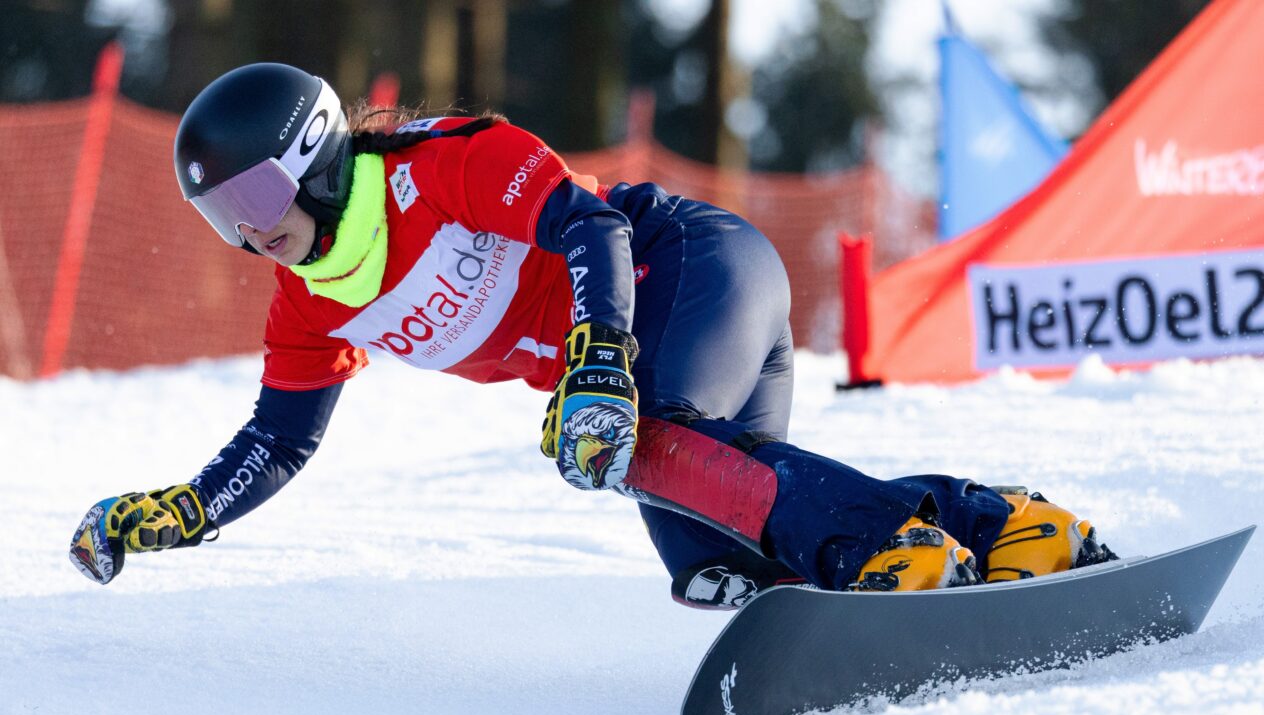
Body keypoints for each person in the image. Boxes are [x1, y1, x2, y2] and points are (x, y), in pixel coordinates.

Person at [68, 63, 1116, 606]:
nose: (252, 233)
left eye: (255, 194)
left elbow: (588, 226)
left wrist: (596, 361)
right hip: (643, 354)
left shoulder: (440, 167)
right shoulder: (309, 302)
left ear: (314, 152)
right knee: (718, 555)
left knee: (631, 439)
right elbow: (280, 439)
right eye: (222, 218)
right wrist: (191, 510)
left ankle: (893, 546)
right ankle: (1005, 528)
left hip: (693, 266)